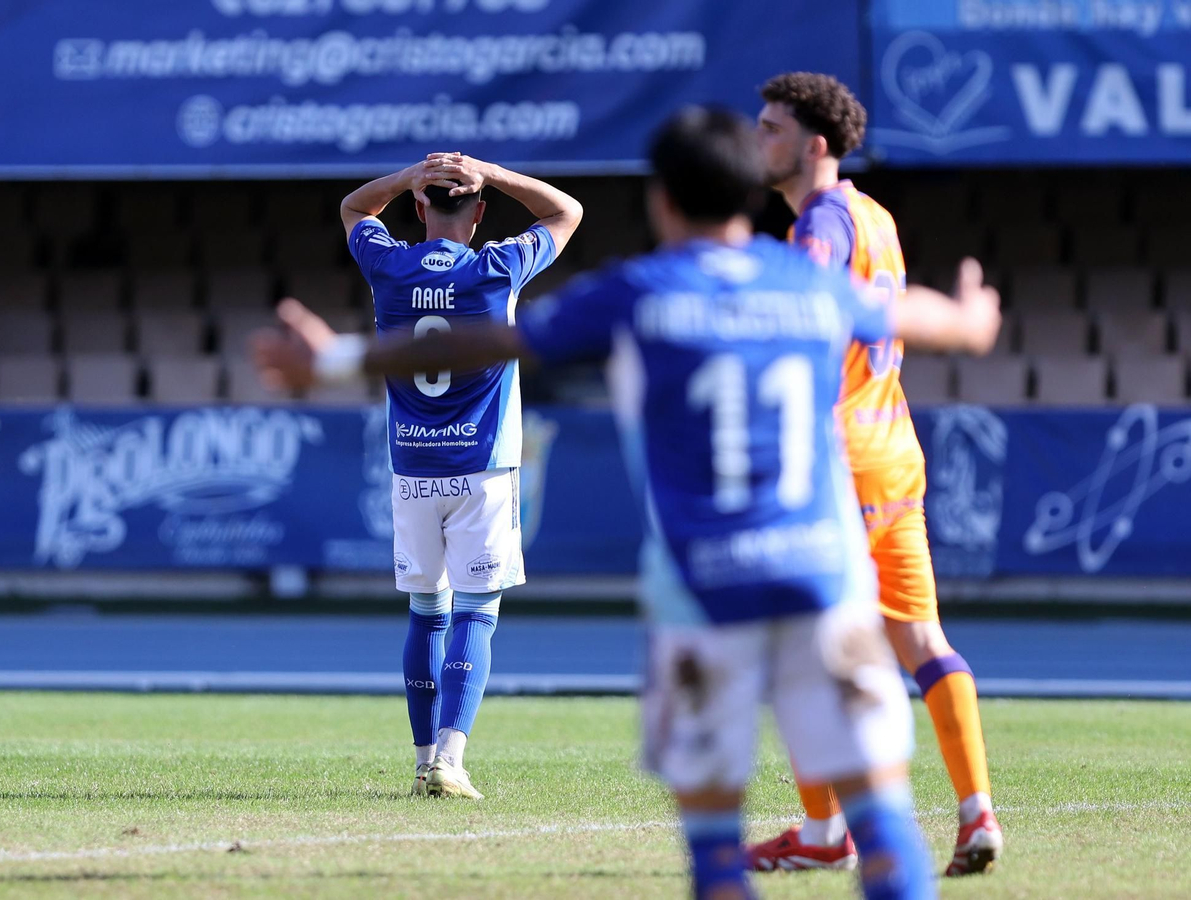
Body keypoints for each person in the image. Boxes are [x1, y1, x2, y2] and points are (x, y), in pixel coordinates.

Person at [254, 106, 1003, 900]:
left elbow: (490, 341)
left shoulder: (640, 293)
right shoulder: (807, 282)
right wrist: (970, 322)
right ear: (752, 194)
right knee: (883, 826)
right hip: (822, 579)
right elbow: (908, 315)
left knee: (716, 854)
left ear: (662, 202)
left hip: (703, 592)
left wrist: (337, 361)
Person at [750, 71, 1001, 876]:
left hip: (837, 467)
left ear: (814, 144)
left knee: (800, 653)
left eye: (771, 127)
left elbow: (812, 315)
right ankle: (976, 810)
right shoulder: (875, 215)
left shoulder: (820, 223)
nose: (759, 138)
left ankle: (827, 835)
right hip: (894, 455)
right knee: (923, 640)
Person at [340, 153, 581, 798]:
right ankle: (451, 758)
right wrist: (491, 172)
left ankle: (424, 760)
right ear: (478, 211)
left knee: (426, 610)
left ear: (419, 207)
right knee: (477, 613)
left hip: (413, 466)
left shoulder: (388, 266)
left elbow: (354, 207)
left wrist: (405, 178)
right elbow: (567, 211)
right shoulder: (496, 268)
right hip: (483, 468)